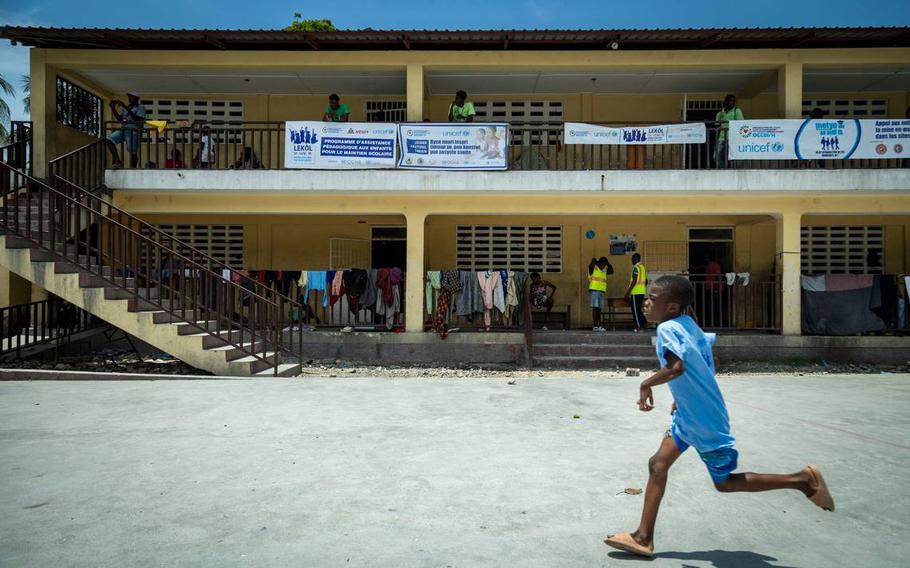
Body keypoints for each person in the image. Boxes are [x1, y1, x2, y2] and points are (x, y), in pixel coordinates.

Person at [603, 275, 834, 558]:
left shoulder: (667, 329)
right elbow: (705, 361)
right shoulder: (688, 324)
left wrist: (645, 384)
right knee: (657, 465)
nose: (646, 302)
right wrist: (681, 398)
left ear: (672, 306)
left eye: (652, 298)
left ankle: (802, 480)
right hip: (691, 415)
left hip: (704, 421)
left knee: (724, 483)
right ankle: (643, 537)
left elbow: (677, 367)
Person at [106, 91, 146, 169]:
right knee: (109, 140)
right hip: (123, 129)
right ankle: (117, 161)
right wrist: (113, 108)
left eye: (131, 97)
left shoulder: (140, 107)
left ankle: (133, 169)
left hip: (133, 130)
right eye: (129, 96)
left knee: (133, 152)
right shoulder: (127, 107)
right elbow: (120, 119)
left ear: (137, 98)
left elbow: (138, 119)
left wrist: (125, 106)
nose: (129, 98)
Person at [714, 94, 743, 169]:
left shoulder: (737, 111)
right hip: (721, 138)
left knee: (732, 158)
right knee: (716, 157)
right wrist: (722, 113)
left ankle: (731, 171)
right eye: (730, 100)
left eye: (734, 101)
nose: (732, 102)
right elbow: (717, 125)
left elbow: (741, 124)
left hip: (733, 138)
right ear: (726, 101)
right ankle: (725, 170)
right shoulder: (720, 113)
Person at [588, 256, 614, 332]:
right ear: (600, 263)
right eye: (603, 264)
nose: (604, 266)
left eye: (605, 264)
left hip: (601, 291)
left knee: (599, 309)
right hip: (595, 290)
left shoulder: (605, 269)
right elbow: (590, 265)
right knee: (595, 308)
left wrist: (608, 263)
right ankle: (595, 326)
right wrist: (594, 260)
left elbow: (612, 271)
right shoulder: (594, 268)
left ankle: (598, 325)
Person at [624, 253, 647, 332]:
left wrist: (628, 292)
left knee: (635, 310)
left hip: (635, 292)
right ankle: (643, 323)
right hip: (641, 292)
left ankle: (639, 326)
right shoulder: (642, 268)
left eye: (632, 259)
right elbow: (646, 281)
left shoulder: (636, 268)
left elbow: (634, 280)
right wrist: (643, 289)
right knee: (638, 309)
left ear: (636, 259)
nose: (632, 261)